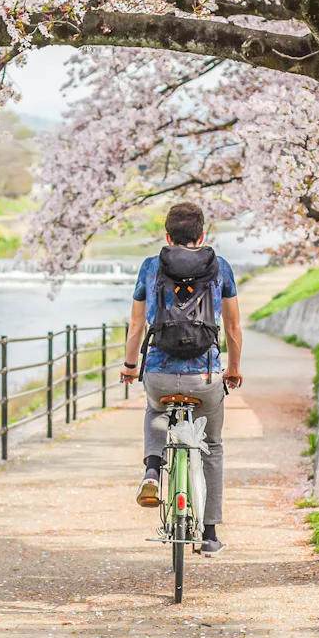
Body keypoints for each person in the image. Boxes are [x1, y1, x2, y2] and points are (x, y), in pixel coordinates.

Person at [120, 202, 243, 556]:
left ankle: (153, 471)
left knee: (155, 410)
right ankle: (209, 533)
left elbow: (136, 324)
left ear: (167, 236)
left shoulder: (149, 266)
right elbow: (233, 327)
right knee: (213, 446)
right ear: (202, 236)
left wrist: (131, 366)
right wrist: (233, 369)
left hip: (159, 373)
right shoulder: (221, 267)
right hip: (204, 375)